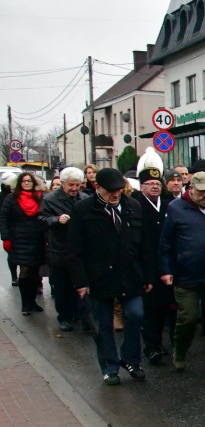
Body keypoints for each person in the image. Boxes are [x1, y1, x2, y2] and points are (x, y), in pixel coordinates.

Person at [67, 168, 153, 385]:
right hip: (99, 277)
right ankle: (109, 366)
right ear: (98, 188)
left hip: (130, 274)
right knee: (103, 324)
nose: (116, 195)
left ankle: (131, 359)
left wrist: (148, 275)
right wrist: (81, 282)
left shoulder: (132, 207)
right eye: (111, 191)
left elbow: (145, 244)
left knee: (135, 315)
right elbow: (75, 249)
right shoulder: (83, 210)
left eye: (118, 190)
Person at [159, 171, 205, 379]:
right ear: (191, 190)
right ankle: (180, 350)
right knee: (188, 318)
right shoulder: (176, 209)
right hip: (186, 274)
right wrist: (166, 270)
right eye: (202, 191)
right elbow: (165, 243)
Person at [136, 149, 174, 365]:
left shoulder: (168, 205)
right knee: (149, 310)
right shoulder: (136, 206)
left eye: (157, 183)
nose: (154, 186)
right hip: (147, 266)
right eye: (150, 183)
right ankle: (151, 347)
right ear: (142, 186)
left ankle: (161, 344)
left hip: (166, 265)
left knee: (164, 308)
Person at [40, 167, 88, 330]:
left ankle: (82, 316)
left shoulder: (84, 198)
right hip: (60, 250)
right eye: (71, 185)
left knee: (81, 284)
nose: (74, 188)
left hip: (81, 251)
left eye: (77, 185)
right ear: (63, 184)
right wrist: (56, 220)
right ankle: (64, 317)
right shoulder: (50, 199)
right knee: (62, 287)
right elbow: (41, 220)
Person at [0, 172, 47, 314]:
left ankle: (32, 302)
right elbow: (4, 218)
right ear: (19, 183)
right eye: (24, 181)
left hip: (37, 239)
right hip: (18, 239)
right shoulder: (11, 198)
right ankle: (25, 304)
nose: (27, 183)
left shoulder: (39, 198)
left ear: (34, 183)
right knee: (25, 271)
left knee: (34, 272)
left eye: (29, 181)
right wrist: (6, 238)